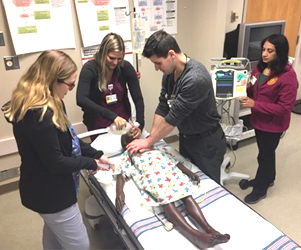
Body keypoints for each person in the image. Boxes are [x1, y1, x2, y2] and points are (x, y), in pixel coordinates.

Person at [2, 50, 114, 250]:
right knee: (80, 244)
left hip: (43, 189)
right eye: (70, 84)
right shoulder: (38, 115)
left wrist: (95, 153)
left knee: (54, 234)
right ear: (53, 79)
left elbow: (69, 140)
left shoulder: (51, 102)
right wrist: (91, 163)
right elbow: (56, 162)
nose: (71, 89)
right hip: (51, 193)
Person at [126, 30, 226, 184]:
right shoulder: (168, 74)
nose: (156, 68)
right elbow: (163, 106)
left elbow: (173, 118)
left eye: (158, 63)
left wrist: (148, 142)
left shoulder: (195, 78)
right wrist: (151, 138)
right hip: (186, 138)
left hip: (206, 142)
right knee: (188, 181)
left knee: (207, 185)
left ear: (171, 54)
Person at [114, 133, 230, 249]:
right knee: (167, 201)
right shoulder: (129, 155)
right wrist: (119, 192)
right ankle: (194, 235)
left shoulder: (157, 149)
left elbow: (175, 162)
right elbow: (120, 172)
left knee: (187, 196)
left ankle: (209, 229)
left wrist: (189, 173)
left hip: (172, 175)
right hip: (154, 180)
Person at [238, 34, 298, 204]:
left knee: (264, 156)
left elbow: (284, 108)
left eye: (270, 51)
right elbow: (254, 90)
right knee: (266, 154)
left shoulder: (288, 77)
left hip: (273, 125)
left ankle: (260, 189)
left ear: (279, 52)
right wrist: (241, 89)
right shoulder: (259, 68)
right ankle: (268, 178)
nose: (264, 54)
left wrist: (254, 104)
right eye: (263, 49)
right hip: (259, 121)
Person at [76, 32, 145, 140]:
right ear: (103, 53)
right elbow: (81, 99)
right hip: (98, 122)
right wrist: (112, 117)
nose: (115, 62)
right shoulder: (90, 69)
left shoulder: (125, 68)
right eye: (111, 58)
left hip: (122, 121)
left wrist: (139, 124)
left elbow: (138, 98)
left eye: (119, 58)